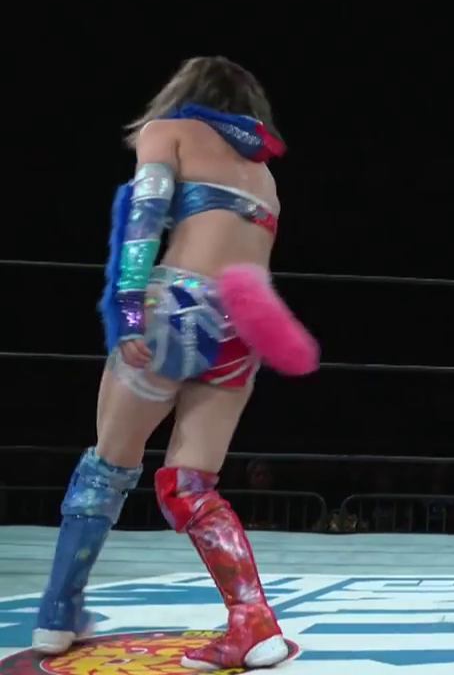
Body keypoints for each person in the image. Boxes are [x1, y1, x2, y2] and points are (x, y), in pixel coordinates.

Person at [34, 56, 319, 670]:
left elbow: (143, 218)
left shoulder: (169, 132)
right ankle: (253, 624)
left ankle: (58, 613)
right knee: (191, 485)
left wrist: (128, 312)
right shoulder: (264, 174)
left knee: (107, 467)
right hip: (243, 323)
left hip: (178, 307)